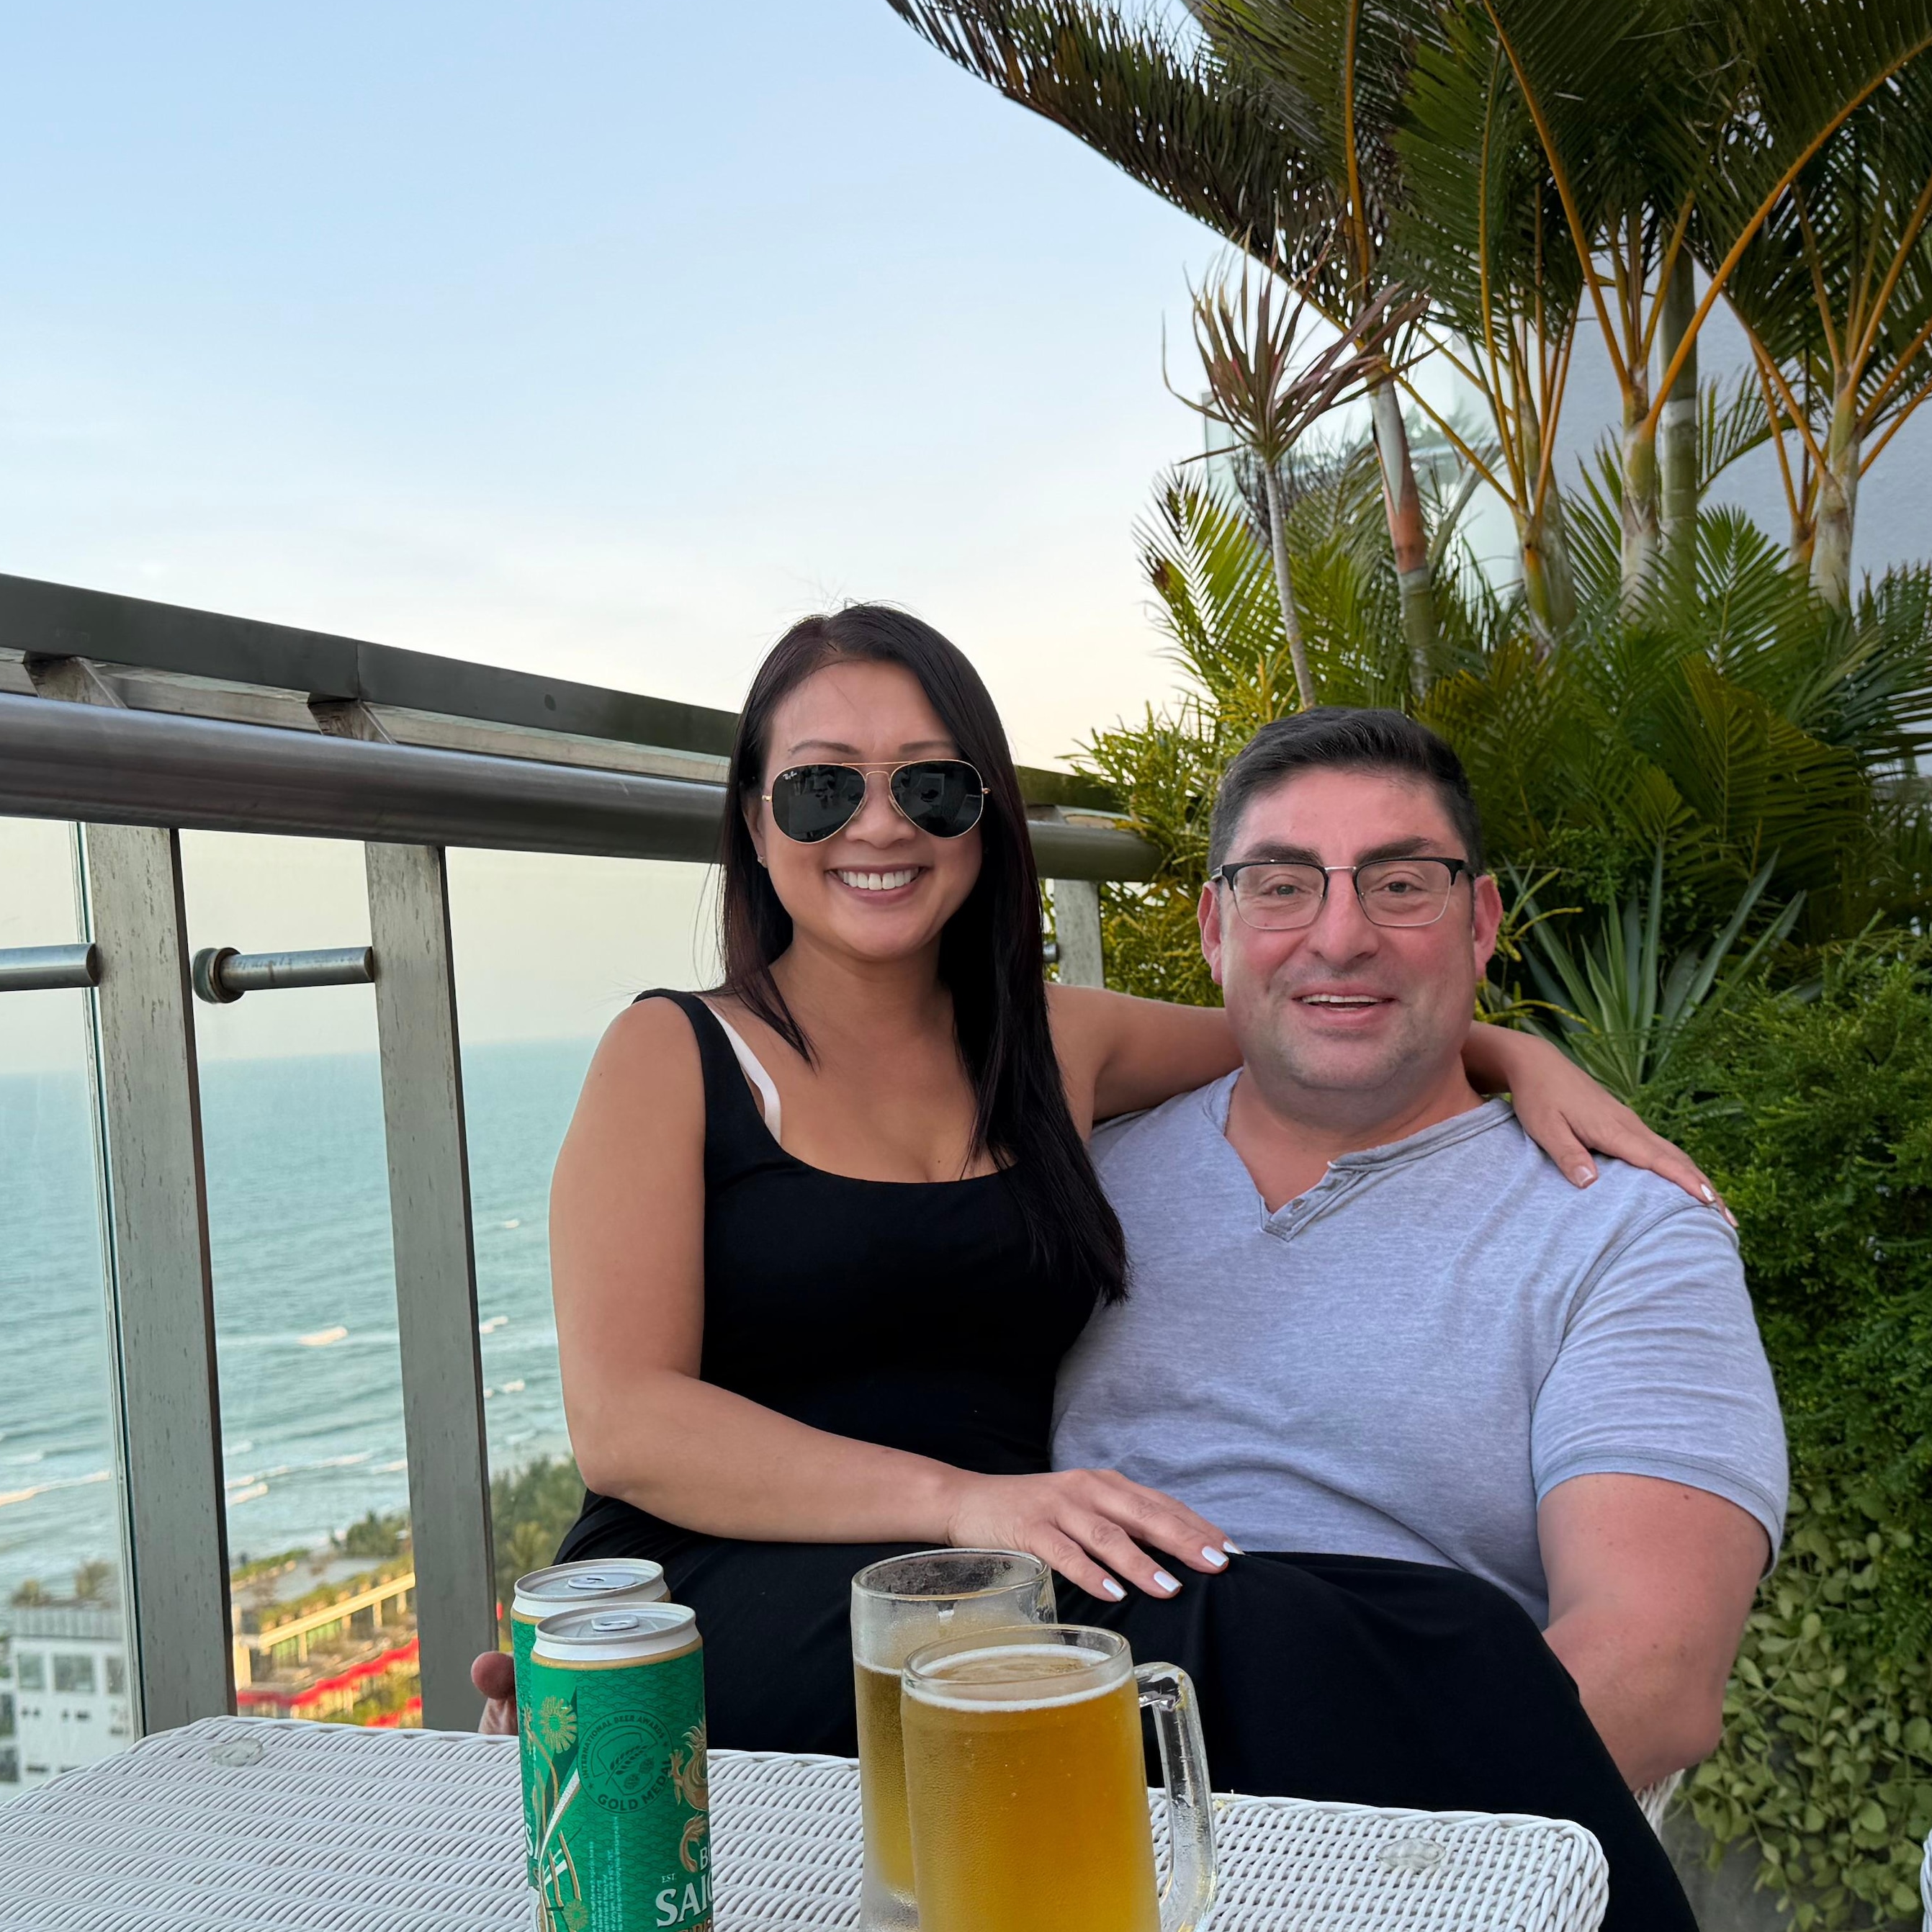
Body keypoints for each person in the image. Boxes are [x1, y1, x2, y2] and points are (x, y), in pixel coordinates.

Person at [532, 601, 1715, 1757]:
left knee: (1359, 1636)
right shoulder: (674, 1054)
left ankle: (1511, 1865)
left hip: (992, 1593)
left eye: (931, 785)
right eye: (822, 785)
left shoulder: (1057, 1044)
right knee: (1252, 1632)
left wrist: (1509, 1049)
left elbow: (1308, 1020)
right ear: (754, 820)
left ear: (985, 818)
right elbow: (626, 1425)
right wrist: (964, 1503)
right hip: (733, 1585)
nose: (880, 824)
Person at [1054, 704, 1840, 1932]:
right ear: (1210, 927)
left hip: (1398, 1875)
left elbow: (1648, 1676)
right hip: (1061, 1852)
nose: (1339, 931)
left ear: (1481, 923)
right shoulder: (1073, 1192)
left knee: (1316, 1636)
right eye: (1282, 884)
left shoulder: (1620, 1231)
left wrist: (1273, 1906)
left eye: (1398, 883)